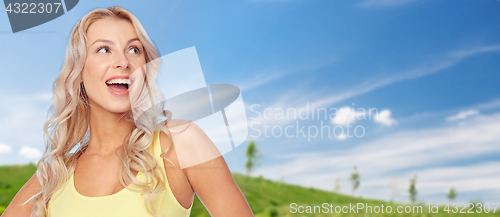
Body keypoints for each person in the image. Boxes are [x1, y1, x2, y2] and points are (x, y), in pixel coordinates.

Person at [1, 6, 254, 217]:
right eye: (104, 49)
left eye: (134, 50)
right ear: (78, 71)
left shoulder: (181, 143)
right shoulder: (54, 173)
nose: (123, 61)